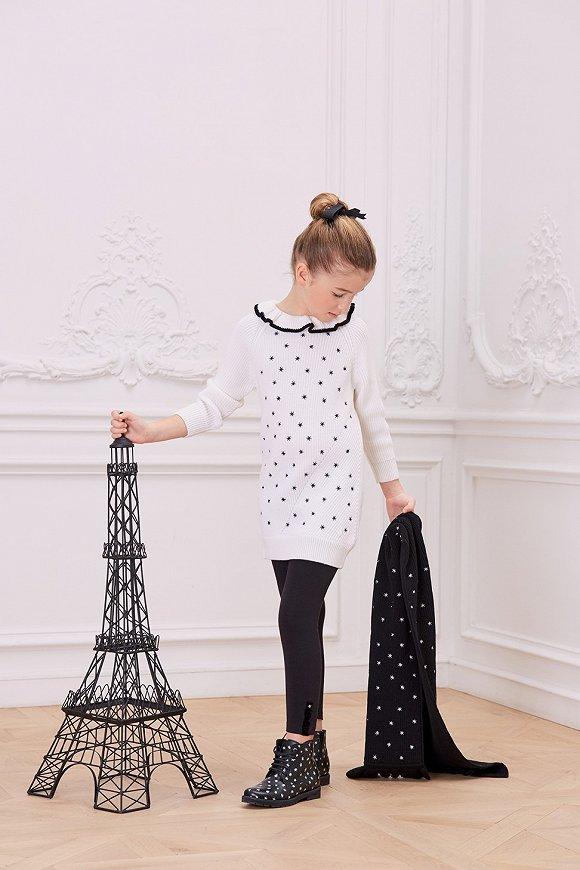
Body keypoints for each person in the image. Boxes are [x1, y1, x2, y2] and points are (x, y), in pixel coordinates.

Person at [109, 192, 415, 809]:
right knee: (305, 616)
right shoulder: (254, 333)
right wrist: (150, 429)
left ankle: (296, 750)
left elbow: (371, 415)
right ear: (303, 272)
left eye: (355, 296)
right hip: (280, 497)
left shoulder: (351, 335)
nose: (344, 305)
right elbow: (215, 403)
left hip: (333, 493)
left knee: (295, 614)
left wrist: (392, 489)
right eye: (338, 292)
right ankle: (316, 743)